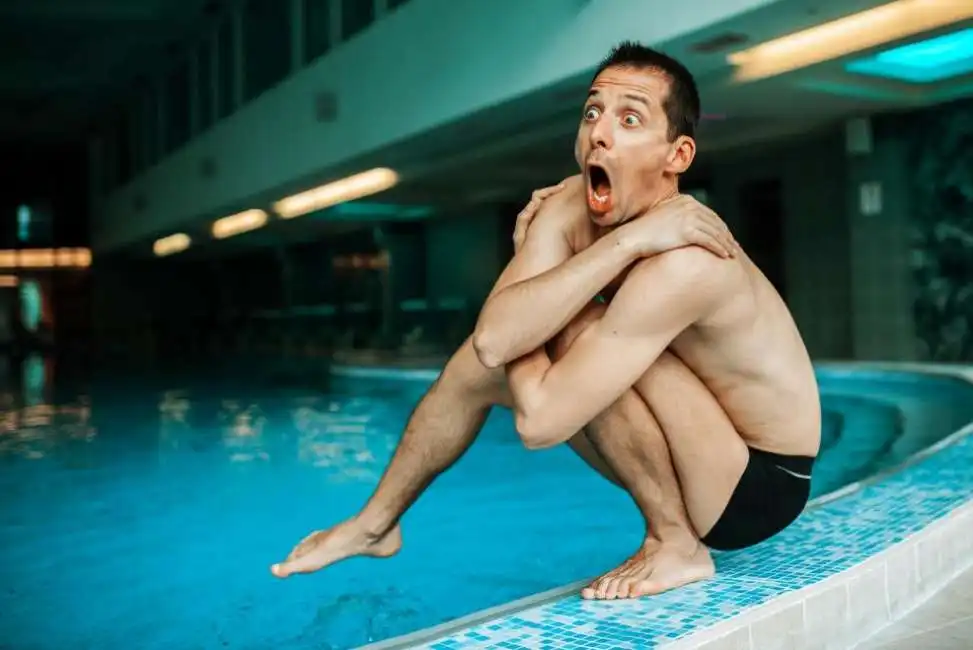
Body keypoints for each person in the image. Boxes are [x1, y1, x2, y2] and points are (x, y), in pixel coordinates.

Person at [271, 42, 821, 600]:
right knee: (473, 367)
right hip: (691, 440)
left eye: (630, 118)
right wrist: (624, 243)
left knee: (576, 329)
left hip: (756, 481)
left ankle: (676, 543)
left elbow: (540, 423)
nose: (600, 132)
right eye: (592, 112)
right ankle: (375, 526)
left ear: (676, 156)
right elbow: (491, 340)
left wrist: (546, 304)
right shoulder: (570, 205)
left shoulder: (687, 263)